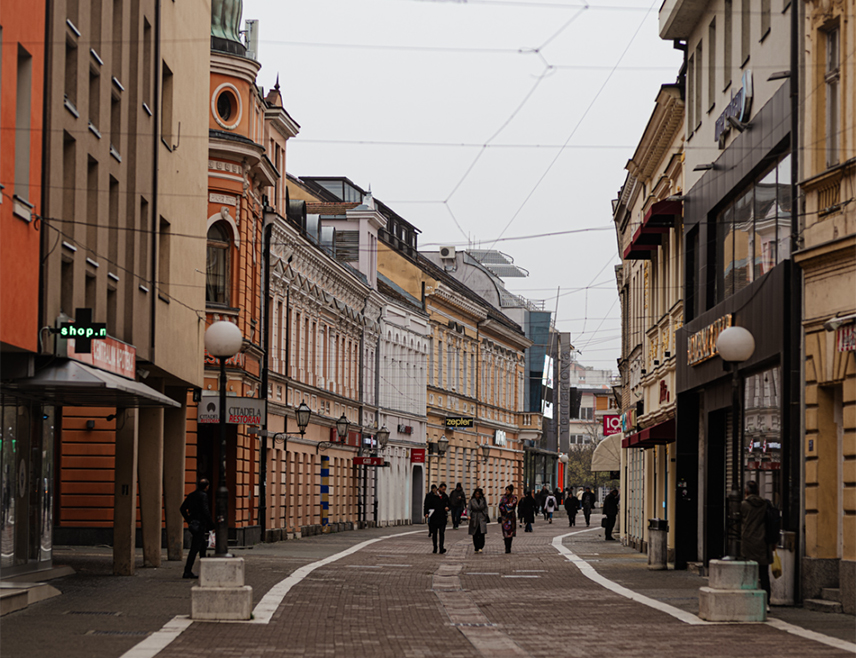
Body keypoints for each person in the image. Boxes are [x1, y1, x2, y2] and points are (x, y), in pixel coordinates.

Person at [741, 480, 774, 609]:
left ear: (746, 491)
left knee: (749, 574)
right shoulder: (765, 504)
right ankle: (766, 602)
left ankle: (749, 601)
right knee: (764, 574)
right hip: (762, 542)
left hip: (748, 543)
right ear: (758, 491)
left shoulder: (743, 505)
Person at [180, 478, 215, 579]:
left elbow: (182, 508)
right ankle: (187, 571)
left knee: (202, 547)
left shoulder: (191, 495)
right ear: (206, 487)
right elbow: (205, 511)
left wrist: (189, 520)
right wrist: (212, 525)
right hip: (200, 525)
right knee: (195, 548)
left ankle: (204, 570)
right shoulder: (203, 496)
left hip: (194, 524)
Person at [424, 482, 450, 554]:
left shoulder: (445, 496)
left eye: (445, 489)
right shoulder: (431, 495)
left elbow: (449, 504)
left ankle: (441, 548)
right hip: (434, 517)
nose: (444, 491)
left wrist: (448, 508)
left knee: (442, 533)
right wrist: (426, 513)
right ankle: (435, 547)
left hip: (442, 517)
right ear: (439, 488)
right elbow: (427, 505)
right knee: (434, 533)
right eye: (443, 489)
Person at [468, 488, 489, 553]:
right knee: (475, 533)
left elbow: (485, 507)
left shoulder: (483, 500)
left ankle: (481, 546)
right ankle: (476, 547)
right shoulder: (472, 500)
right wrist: (468, 515)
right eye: (476, 494)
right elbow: (468, 508)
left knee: (481, 532)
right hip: (474, 517)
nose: (477, 495)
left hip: (481, 517)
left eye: (479, 494)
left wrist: (485, 514)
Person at [499, 485, 518, 553]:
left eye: (508, 490)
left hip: (511, 518)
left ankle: (509, 546)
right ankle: (506, 547)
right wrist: (504, 508)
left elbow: (513, 505)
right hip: (505, 518)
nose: (506, 491)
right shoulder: (503, 498)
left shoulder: (514, 497)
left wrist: (505, 506)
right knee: (505, 533)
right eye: (506, 490)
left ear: (511, 491)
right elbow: (500, 505)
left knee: (510, 533)